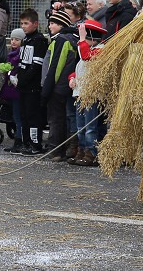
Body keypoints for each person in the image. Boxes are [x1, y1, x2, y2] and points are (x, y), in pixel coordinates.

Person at [41, 10, 79, 161]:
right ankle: (61, 148)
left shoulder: (62, 40)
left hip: (57, 87)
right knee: (63, 118)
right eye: (50, 22)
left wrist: (46, 89)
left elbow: (56, 66)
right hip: (64, 86)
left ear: (62, 24)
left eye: (53, 23)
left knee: (55, 119)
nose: (50, 26)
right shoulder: (68, 39)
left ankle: (55, 150)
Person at [70, 18, 106, 167]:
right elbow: (79, 67)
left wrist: (82, 39)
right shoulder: (85, 48)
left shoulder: (101, 50)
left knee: (90, 127)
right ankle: (82, 149)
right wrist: (72, 78)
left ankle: (92, 153)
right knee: (81, 126)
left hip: (92, 95)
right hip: (80, 94)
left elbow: (86, 57)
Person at [16, 8, 48, 155]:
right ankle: (25, 142)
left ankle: (36, 144)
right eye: (21, 23)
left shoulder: (39, 41)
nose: (23, 26)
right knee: (24, 115)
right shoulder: (26, 40)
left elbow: (36, 66)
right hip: (23, 86)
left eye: (26, 23)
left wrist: (23, 79)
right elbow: (22, 62)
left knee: (33, 116)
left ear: (35, 24)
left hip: (33, 87)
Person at [0, 27, 25, 152]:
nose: (13, 41)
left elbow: (14, 69)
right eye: (13, 39)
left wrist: (9, 70)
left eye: (17, 39)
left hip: (17, 90)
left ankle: (19, 140)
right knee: (15, 116)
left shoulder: (19, 54)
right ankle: (18, 138)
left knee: (18, 116)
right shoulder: (12, 53)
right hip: (12, 90)